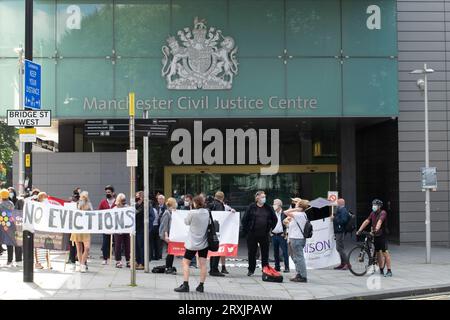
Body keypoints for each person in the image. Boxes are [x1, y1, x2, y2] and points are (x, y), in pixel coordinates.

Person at [174, 195, 210, 293]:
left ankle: (185, 285)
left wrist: (190, 210)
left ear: (195, 203)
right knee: (203, 264)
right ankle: (201, 286)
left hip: (192, 243)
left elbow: (186, 222)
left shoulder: (192, 212)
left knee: (185, 262)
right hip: (204, 242)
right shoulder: (207, 212)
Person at [242, 191, 277, 277]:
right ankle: (251, 269)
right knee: (252, 252)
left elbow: (274, 219)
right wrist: (247, 231)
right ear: (257, 198)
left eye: (264, 197)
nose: (264, 198)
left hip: (264, 234)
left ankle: (265, 269)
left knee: (265, 253)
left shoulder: (268, 207)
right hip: (252, 234)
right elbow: (244, 220)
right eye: (262, 197)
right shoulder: (251, 207)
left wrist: (270, 228)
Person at [356, 199, 392, 277]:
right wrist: (359, 230)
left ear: (379, 206)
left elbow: (380, 222)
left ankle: (389, 270)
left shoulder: (383, 213)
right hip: (376, 235)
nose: (373, 206)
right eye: (373, 205)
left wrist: (376, 229)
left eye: (375, 205)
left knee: (385, 252)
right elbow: (366, 221)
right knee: (378, 252)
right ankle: (381, 269)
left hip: (382, 235)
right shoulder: (372, 213)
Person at [284, 199, 310, 282]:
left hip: (296, 238)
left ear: (300, 206)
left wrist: (296, 209)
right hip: (299, 238)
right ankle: (299, 274)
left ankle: (302, 276)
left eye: (297, 203)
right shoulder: (303, 214)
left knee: (299, 257)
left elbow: (285, 212)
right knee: (298, 257)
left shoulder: (298, 213)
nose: (295, 204)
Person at [70, 191, 92, 273]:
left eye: (85, 197)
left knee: (87, 247)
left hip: (86, 229)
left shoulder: (89, 205)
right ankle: (80, 264)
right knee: (79, 248)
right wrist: (79, 206)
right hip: (77, 229)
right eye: (82, 196)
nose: (84, 198)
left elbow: (93, 214)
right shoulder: (76, 204)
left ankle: (82, 264)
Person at [0, 189, 21, 266]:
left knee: (9, 243)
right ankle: (18, 260)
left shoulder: (1, 204)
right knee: (14, 242)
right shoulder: (11, 203)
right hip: (12, 224)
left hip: (4, 225)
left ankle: (9, 260)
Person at [98, 185, 116, 265]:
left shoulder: (117, 202)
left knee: (116, 242)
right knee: (105, 243)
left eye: (109, 192)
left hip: (115, 226)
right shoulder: (103, 202)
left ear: (113, 193)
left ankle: (117, 259)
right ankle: (105, 258)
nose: (107, 194)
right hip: (106, 226)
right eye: (106, 192)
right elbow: (99, 213)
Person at [159, 197, 177, 274]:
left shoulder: (172, 212)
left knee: (171, 252)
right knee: (170, 251)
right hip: (167, 235)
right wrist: (166, 236)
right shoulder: (167, 213)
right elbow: (165, 225)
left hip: (170, 234)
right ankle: (167, 267)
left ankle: (169, 266)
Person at [271, 199, 290, 273]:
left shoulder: (284, 213)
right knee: (275, 252)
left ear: (279, 205)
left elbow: (288, 224)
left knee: (285, 252)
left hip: (282, 235)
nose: (273, 205)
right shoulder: (273, 213)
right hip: (274, 235)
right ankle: (277, 267)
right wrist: (270, 231)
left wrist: (286, 233)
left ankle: (287, 267)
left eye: (274, 204)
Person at [332, 198, 350, 270]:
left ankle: (347, 264)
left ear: (340, 204)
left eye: (337, 203)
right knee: (340, 248)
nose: (336, 205)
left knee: (339, 248)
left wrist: (334, 218)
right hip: (338, 231)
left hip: (340, 231)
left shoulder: (343, 210)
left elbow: (343, 220)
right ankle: (343, 263)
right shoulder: (340, 210)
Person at [35, 192, 51, 269]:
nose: (46, 198)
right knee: (38, 246)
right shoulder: (37, 206)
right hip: (39, 228)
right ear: (41, 198)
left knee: (47, 246)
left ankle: (48, 263)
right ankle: (37, 263)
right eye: (45, 197)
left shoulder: (47, 205)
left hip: (46, 228)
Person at [114, 193, 130, 268]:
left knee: (127, 245)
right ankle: (118, 261)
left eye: (124, 200)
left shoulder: (127, 207)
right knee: (118, 245)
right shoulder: (115, 209)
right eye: (122, 200)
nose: (124, 202)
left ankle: (128, 260)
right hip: (118, 229)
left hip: (126, 229)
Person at [67, 188, 80, 270]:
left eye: (77, 197)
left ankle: (78, 257)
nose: (76, 198)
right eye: (75, 197)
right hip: (71, 226)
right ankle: (71, 258)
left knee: (78, 244)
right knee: (72, 243)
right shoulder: (70, 204)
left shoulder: (81, 204)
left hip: (78, 227)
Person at [151, 194, 166, 260]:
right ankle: (156, 255)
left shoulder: (166, 207)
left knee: (160, 242)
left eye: (161, 199)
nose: (160, 200)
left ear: (164, 200)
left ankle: (159, 255)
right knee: (155, 241)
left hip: (162, 226)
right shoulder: (155, 207)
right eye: (159, 199)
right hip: (156, 226)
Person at [135, 191, 146, 270]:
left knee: (141, 246)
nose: (136, 198)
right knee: (137, 246)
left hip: (141, 228)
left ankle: (142, 263)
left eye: (138, 196)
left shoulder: (145, 205)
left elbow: (139, 213)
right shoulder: (136, 205)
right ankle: (138, 261)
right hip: (136, 228)